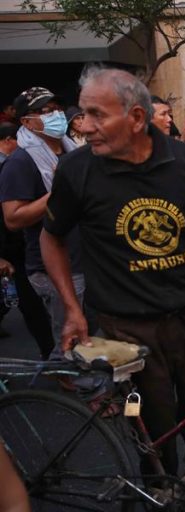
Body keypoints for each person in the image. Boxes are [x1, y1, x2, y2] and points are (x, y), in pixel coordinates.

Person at [40, 67, 185, 500]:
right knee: (149, 419)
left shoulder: (183, 161)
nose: (83, 125)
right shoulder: (77, 169)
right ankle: (159, 485)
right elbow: (51, 239)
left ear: (135, 118)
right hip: (126, 328)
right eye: (83, 114)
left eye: (95, 114)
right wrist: (72, 309)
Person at [0, 87, 82, 362]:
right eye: (45, 112)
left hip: (85, 259)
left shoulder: (73, 152)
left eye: (57, 109)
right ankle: (73, 389)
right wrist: (58, 192)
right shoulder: (20, 162)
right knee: (69, 338)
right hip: (52, 266)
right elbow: (13, 218)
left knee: (89, 333)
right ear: (26, 122)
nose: (55, 116)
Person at [0, 121, 54, 355]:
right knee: (32, 305)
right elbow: (10, 216)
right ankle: (53, 358)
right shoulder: (15, 164)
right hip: (14, 247)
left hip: (25, 244)